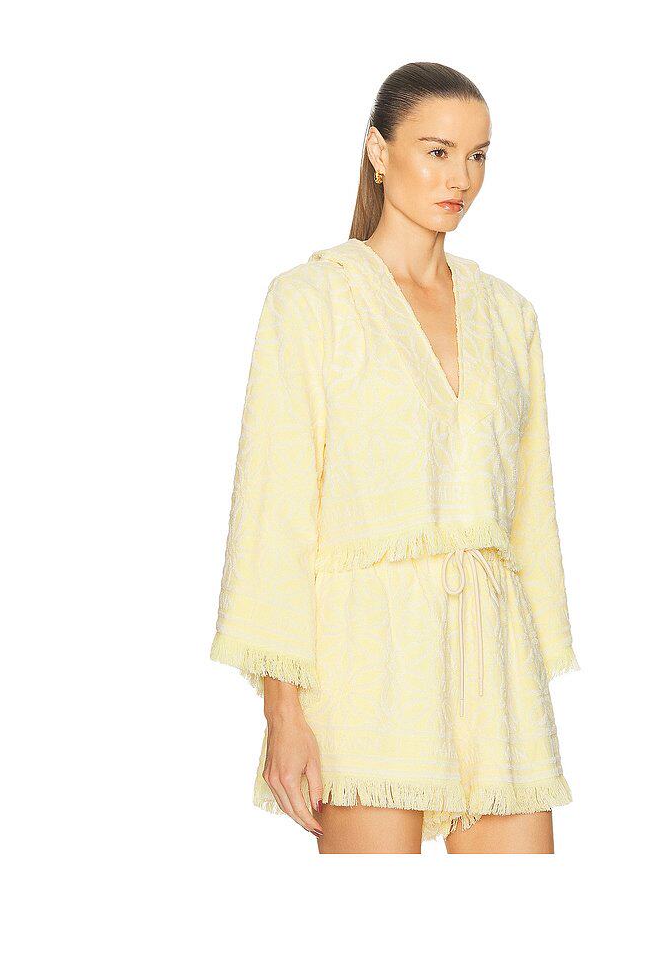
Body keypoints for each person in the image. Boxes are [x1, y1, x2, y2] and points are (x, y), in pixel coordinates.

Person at [209, 62, 579, 854]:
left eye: (478, 156)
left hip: (493, 665)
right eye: (437, 151)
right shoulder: (312, 300)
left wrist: (534, 670)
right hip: (364, 659)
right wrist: (283, 712)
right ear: (380, 151)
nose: (461, 179)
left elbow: (530, 512)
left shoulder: (510, 317)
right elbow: (275, 508)